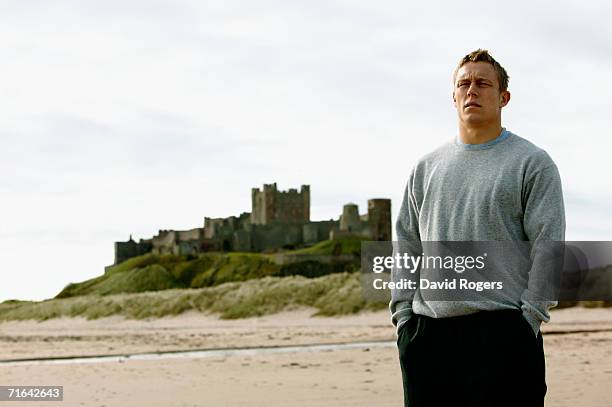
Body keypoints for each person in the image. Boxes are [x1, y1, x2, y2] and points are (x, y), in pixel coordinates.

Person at [389, 49, 565, 406]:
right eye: (463, 84)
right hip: (428, 339)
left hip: (504, 334)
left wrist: (528, 322)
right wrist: (404, 320)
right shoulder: (425, 167)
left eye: (483, 83)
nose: (472, 90)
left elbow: (549, 245)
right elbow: (406, 246)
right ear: (453, 96)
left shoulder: (531, 162)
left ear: (503, 97)